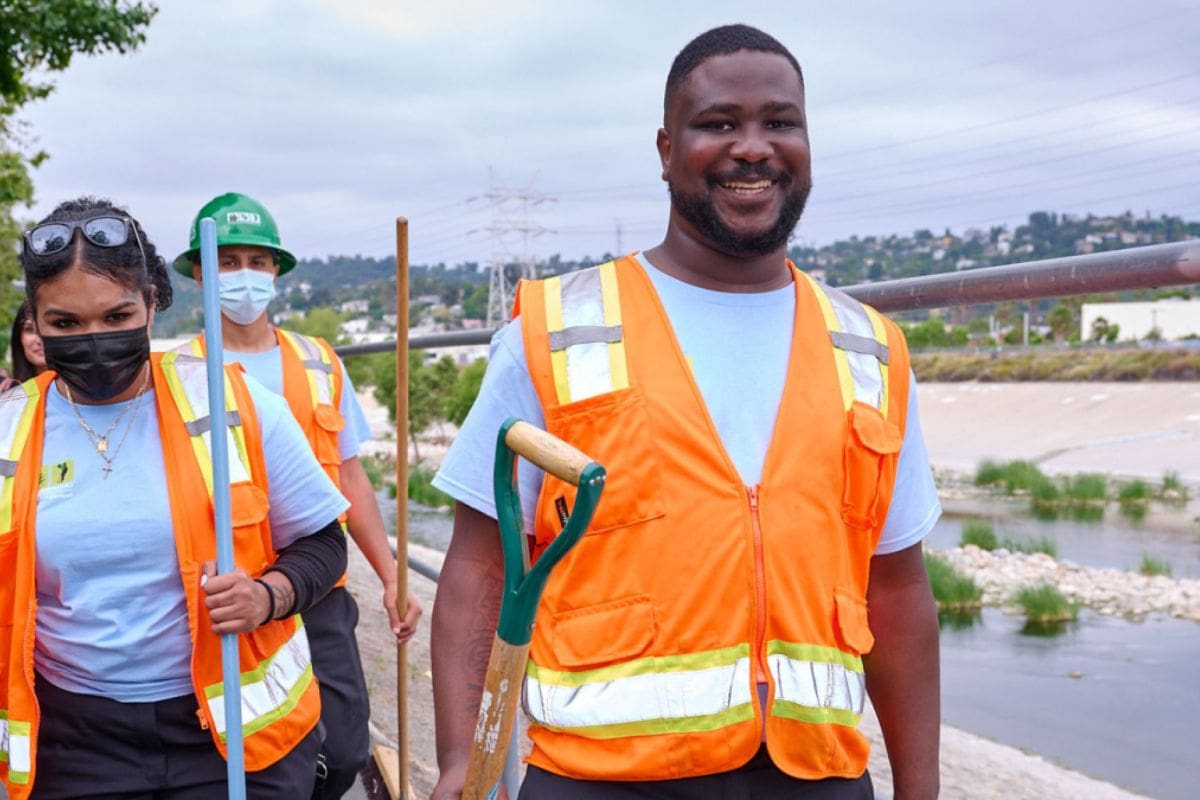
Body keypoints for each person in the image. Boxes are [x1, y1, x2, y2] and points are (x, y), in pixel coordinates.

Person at [430, 24, 941, 800]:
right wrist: (464, 762)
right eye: (719, 122)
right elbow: (479, 564)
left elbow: (897, 588)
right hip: (600, 780)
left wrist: (920, 788)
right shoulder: (555, 330)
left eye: (780, 122)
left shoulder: (867, 349)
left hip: (817, 779)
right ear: (667, 150)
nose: (753, 147)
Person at [0, 196, 351, 799]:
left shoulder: (232, 404)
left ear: (153, 303)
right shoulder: (9, 428)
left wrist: (267, 596)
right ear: (34, 320)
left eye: (116, 317)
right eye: (65, 324)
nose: (94, 340)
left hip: (231, 740)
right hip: (75, 747)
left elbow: (324, 544)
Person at [173, 192, 422, 799]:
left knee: (342, 751)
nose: (244, 277)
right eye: (228, 261)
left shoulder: (317, 362)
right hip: (227, 596)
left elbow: (349, 476)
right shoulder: (178, 371)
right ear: (200, 271)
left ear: (277, 272)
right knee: (244, 751)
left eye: (257, 261)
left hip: (316, 585)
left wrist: (391, 576)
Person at [11, 302, 46, 381]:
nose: (39, 340)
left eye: (46, 330)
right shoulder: (7, 391)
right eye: (29, 330)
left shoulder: (78, 389)